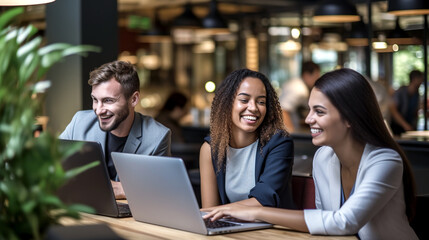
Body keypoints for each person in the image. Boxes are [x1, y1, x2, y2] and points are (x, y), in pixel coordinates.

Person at [203, 68, 418, 239]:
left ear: (350, 117)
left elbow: (344, 222)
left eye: (319, 112)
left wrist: (256, 211)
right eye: (310, 109)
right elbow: (323, 221)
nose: (308, 120)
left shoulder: (385, 161)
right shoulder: (324, 158)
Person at [60, 61, 171, 199]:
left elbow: (162, 193)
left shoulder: (157, 137)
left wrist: (124, 190)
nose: (99, 110)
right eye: (95, 100)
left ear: (134, 99)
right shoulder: (79, 123)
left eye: (108, 101)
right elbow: (51, 166)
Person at [199, 68, 295, 211]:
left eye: (261, 102)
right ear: (227, 103)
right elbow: (210, 209)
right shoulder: (210, 148)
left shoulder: (279, 143)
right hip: (230, 228)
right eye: (244, 100)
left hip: (274, 229)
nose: (253, 108)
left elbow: (264, 200)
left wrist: (214, 212)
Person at [279, 61, 320, 132]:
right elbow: (283, 111)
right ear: (306, 75)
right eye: (316, 76)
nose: (317, 80)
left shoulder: (297, 84)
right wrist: (290, 134)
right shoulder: (299, 89)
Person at [389, 70, 424, 136]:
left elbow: (415, 112)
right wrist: (405, 125)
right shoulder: (401, 92)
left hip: (409, 127)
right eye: (420, 79)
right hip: (397, 128)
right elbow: (393, 111)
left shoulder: (417, 94)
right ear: (414, 79)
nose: (422, 81)